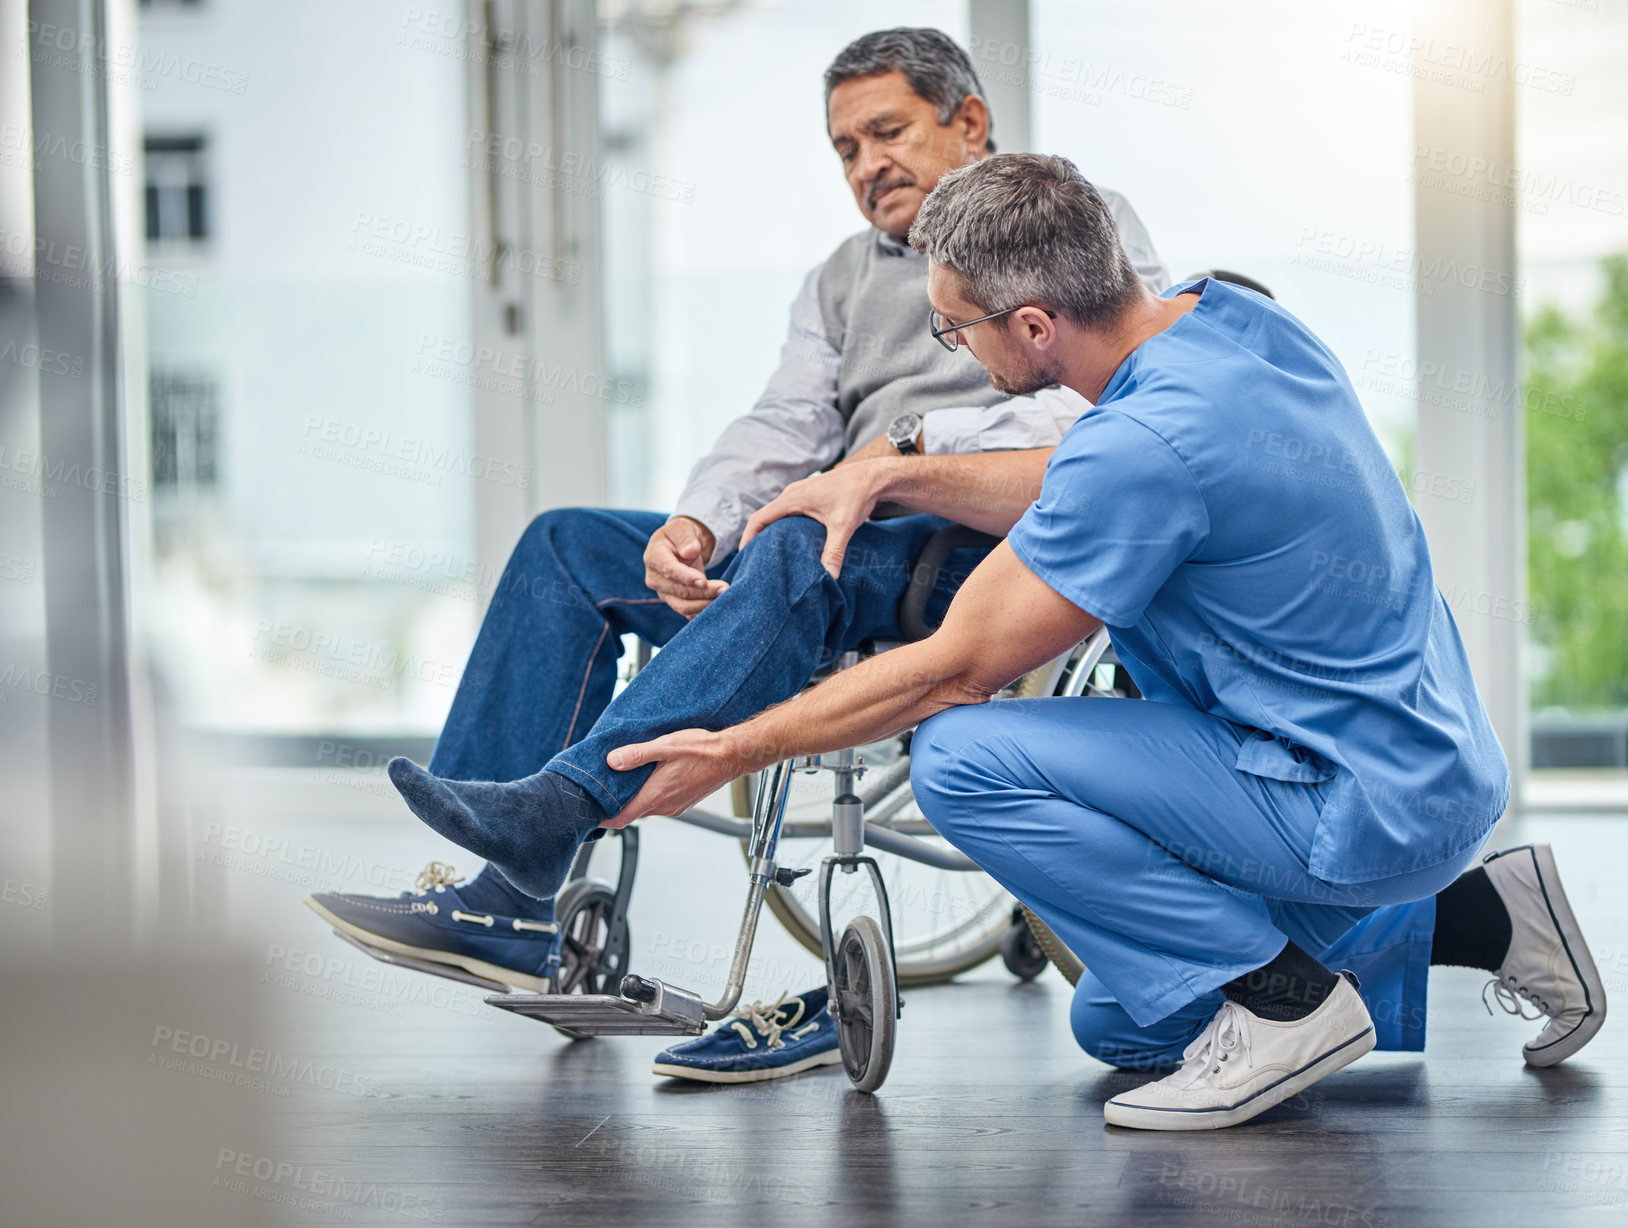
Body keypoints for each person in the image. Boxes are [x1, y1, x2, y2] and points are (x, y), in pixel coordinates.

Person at [599, 154, 1606, 1126]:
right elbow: (1088, 470)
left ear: (1032, 325)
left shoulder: (1141, 447)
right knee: (1123, 1019)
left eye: (954, 331)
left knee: (959, 754)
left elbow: (958, 665)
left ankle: (1283, 1006)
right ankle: (1489, 914)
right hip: (1431, 763)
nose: (954, 352)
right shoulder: (1231, 322)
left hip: (1349, 801)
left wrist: (732, 747)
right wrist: (888, 473)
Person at [306, 30, 1168, 1080]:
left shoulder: (1073, 224)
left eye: (886, 132)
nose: (865, 166)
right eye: (843, 148)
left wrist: (896, 458)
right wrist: (696, 526)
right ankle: (506, 897)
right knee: (569, 544)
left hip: (953, 556)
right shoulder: (840, 279)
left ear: (969, 121)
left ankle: (562, 805)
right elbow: (780, 425)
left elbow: (1108, 409)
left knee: (802, 531)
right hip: (814, 545)